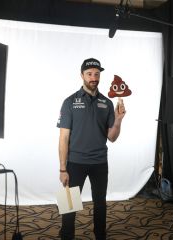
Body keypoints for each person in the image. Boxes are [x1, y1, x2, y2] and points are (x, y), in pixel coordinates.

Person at [57, 58, 126, 240]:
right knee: (69, 204)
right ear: (82, 75)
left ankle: (100, 235)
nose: (93, 77)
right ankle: (66, 235)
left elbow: (112, 137)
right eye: (89, 74)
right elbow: (63, 138)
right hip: (74, 163)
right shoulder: (69, 102)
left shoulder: (107, 103)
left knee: (100, 204)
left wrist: (118, 120)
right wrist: (63, 168)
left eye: (97, 74)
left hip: (99, 163)